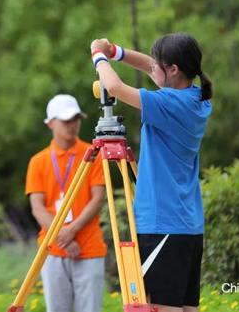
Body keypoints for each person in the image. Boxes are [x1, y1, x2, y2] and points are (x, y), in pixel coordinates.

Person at [90, 34, 213, 312]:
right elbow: (150, 67)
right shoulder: (197, 99)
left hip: (162, 225)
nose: (152, 67)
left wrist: (98, 55)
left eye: (159, 64)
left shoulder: (168, 103)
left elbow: (115, 87)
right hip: (188, 226)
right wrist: (115, 51)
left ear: (174, 70)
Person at [26, 94, 107, 312]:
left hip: (89, 247)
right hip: (52, 249)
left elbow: (98, 199)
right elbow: (37, 207)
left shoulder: (94, 155)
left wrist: (72, 230)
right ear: (51, 123)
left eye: (76, 119)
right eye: (66, 120)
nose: (72, 125)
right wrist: (63, 237)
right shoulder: (38, 161)